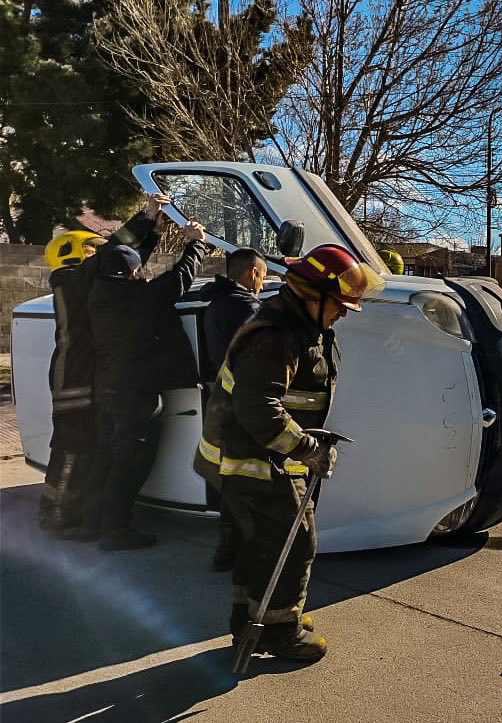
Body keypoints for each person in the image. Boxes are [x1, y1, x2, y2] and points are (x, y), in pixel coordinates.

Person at [196, 244, 375, 664]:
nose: (344, 314)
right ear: (313, 296)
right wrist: (309, 449)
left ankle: (254, 620)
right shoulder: (277, 336)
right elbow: (259, 408)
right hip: (257, 462)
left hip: (255, 458)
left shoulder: (294, 324)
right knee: (292, 544)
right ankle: (279, 631)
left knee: (259, 546)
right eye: (339, 304)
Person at [39, 195, 170, 539]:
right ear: (79, 255)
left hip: (77, 376)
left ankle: (78, 513)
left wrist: (152, 234)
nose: (101, 255)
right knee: (72, 447)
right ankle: (57, 516)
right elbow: (116, 252)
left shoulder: (80, 282)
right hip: (75, 379)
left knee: (86, 448)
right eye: (94, 250)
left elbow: (126, 262)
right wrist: (144, 217)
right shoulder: (72, 280)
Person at [83, 220, 212, 550]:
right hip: (135, 394)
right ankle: (116, 531)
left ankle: (91, 523)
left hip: (107, 388)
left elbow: (124, 261)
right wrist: (196, 243)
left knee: (106, 457)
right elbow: (180, 278)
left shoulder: (97, 293)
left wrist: (153, 232)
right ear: (133, 276)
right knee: (130, 463)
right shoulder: (142, 301)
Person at [200, 248, 268, 571]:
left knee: (231, 477)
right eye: (264, 277)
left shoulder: (215, 304)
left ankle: (226, 550)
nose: (262, 284)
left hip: (221, 400)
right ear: (253, 273)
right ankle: (245, 552)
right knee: (253, 480)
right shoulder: (247, 306)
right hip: (244, 401)